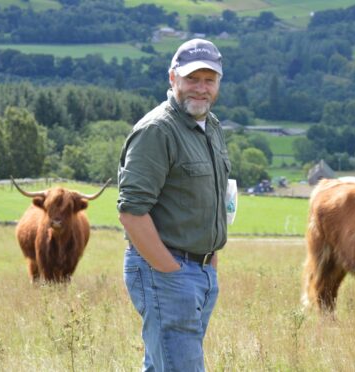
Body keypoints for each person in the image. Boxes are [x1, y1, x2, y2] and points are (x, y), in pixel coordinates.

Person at [117, 38, 230, 371]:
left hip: (200, 272)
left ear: (218, 83)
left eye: (209, 80)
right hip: (166, 271)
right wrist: (172, 271)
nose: (201, 88)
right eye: (192, 79)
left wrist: (209, 262)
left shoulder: (211, 128)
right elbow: (131, 212)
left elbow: (209, 200)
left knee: (161, 366)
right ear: (172, 79)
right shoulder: (157, 131)